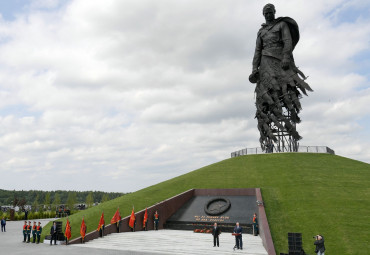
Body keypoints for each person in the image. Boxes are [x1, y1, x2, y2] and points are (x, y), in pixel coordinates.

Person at [250, 4, 313, 150]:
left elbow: (288, 41)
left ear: (274, 12)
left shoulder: (282, 24)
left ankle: (291, 125)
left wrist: (286, 57)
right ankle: (269, 142)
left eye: (270, 12)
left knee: (287, 91)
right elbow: (257, 51)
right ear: (263, 15)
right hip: (265, 64)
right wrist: (254, 69)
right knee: (266, 97)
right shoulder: (261, 32)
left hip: (281, 61)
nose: (268, 15)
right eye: (265, 13)